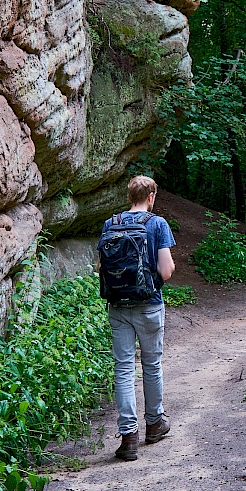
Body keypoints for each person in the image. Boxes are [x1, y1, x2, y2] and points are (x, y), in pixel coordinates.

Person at [99, 175, 176, 461]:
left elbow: (101, 266)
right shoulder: (157, 224)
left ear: (129, 196)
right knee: (151, 365)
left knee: (123, 369)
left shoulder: (111, 224)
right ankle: (154, 423)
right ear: (151, 196)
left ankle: (128, 437)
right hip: (149, 305)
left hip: (118, 306)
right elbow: (166, 271)